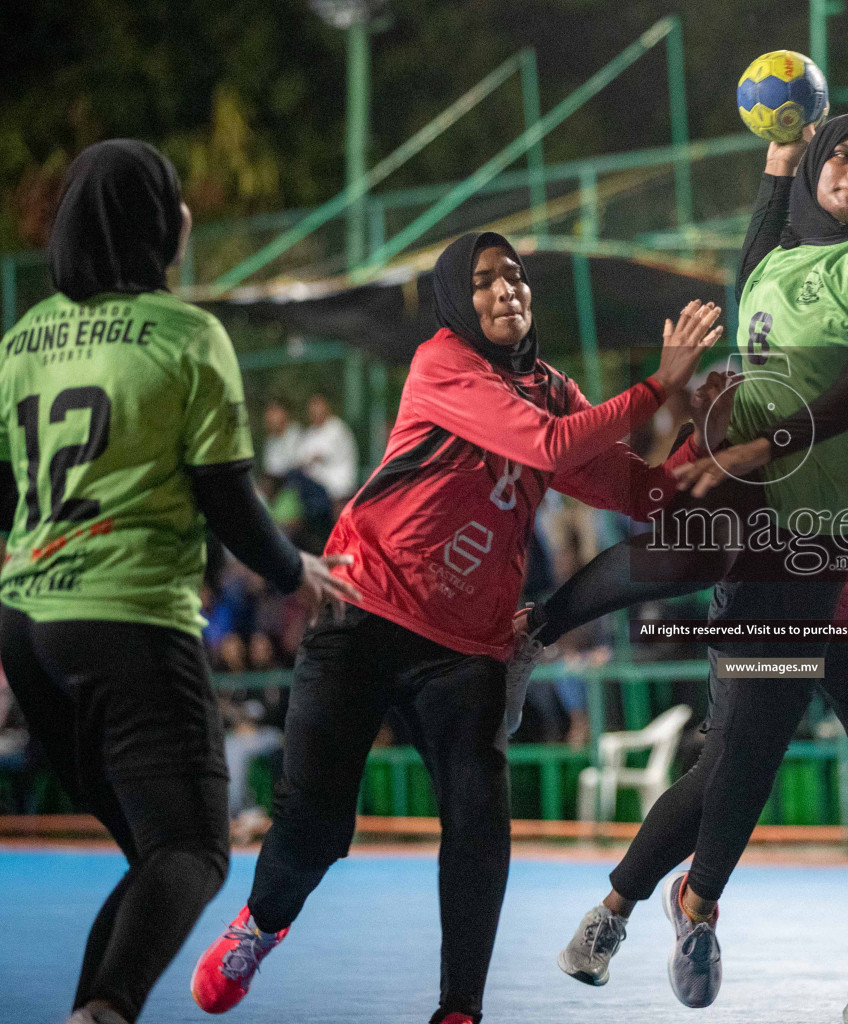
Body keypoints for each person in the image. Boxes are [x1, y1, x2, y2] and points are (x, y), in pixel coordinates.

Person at [189, 231, 722, 1024]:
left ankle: (459, 1011)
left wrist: (693, 428)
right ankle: (261, 924)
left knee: (479, 822)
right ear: (453, 300)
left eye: (515, 277)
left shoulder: (553, 389)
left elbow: (640, 495)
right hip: (362, 609)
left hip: (466, 645)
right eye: (484, 281)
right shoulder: (442, 364)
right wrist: (655, 385)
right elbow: (544, 446)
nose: (507, 289)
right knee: (316, 825)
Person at [523, 114, 848, 1009]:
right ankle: (534, 630)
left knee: (743, 749)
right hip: (745, 482)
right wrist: (773, 171)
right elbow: (755, 272)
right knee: (674, 555)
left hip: (811, 531)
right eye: (842, 158)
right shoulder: (780, 260)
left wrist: (757, 446)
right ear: (820, 164)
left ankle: (667, 904)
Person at [554, 357, 848, 1024]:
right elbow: (677, 494)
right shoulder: (800, 378)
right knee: (726, 767)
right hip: (786, 611)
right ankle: (621, 910)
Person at [0, 140, 354, 1024]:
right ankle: (105, 1012)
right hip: (126, 620)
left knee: (161, 853)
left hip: (27, 628)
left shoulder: (23, 337)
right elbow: (226, 494)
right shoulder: (186, 334)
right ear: (158, 224)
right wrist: (295, 573)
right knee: (195, 847)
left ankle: (97, 1008)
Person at [294, 393, 358, 504]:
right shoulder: (310, 433)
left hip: (337, 486)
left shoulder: (337, 428)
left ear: (327, 408)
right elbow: (299, 460)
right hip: (314, 485)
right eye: (312, 408)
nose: (315, 412)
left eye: (318, 406)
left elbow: (322, 457)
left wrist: (309, 460)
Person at [261, 400, 303, 479]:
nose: (270, 418)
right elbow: (270, 468)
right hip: (278, 482)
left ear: (283, 414)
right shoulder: (270, 442)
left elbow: (297, 463)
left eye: (274, 412)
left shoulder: (295, 432)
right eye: (269, 414)